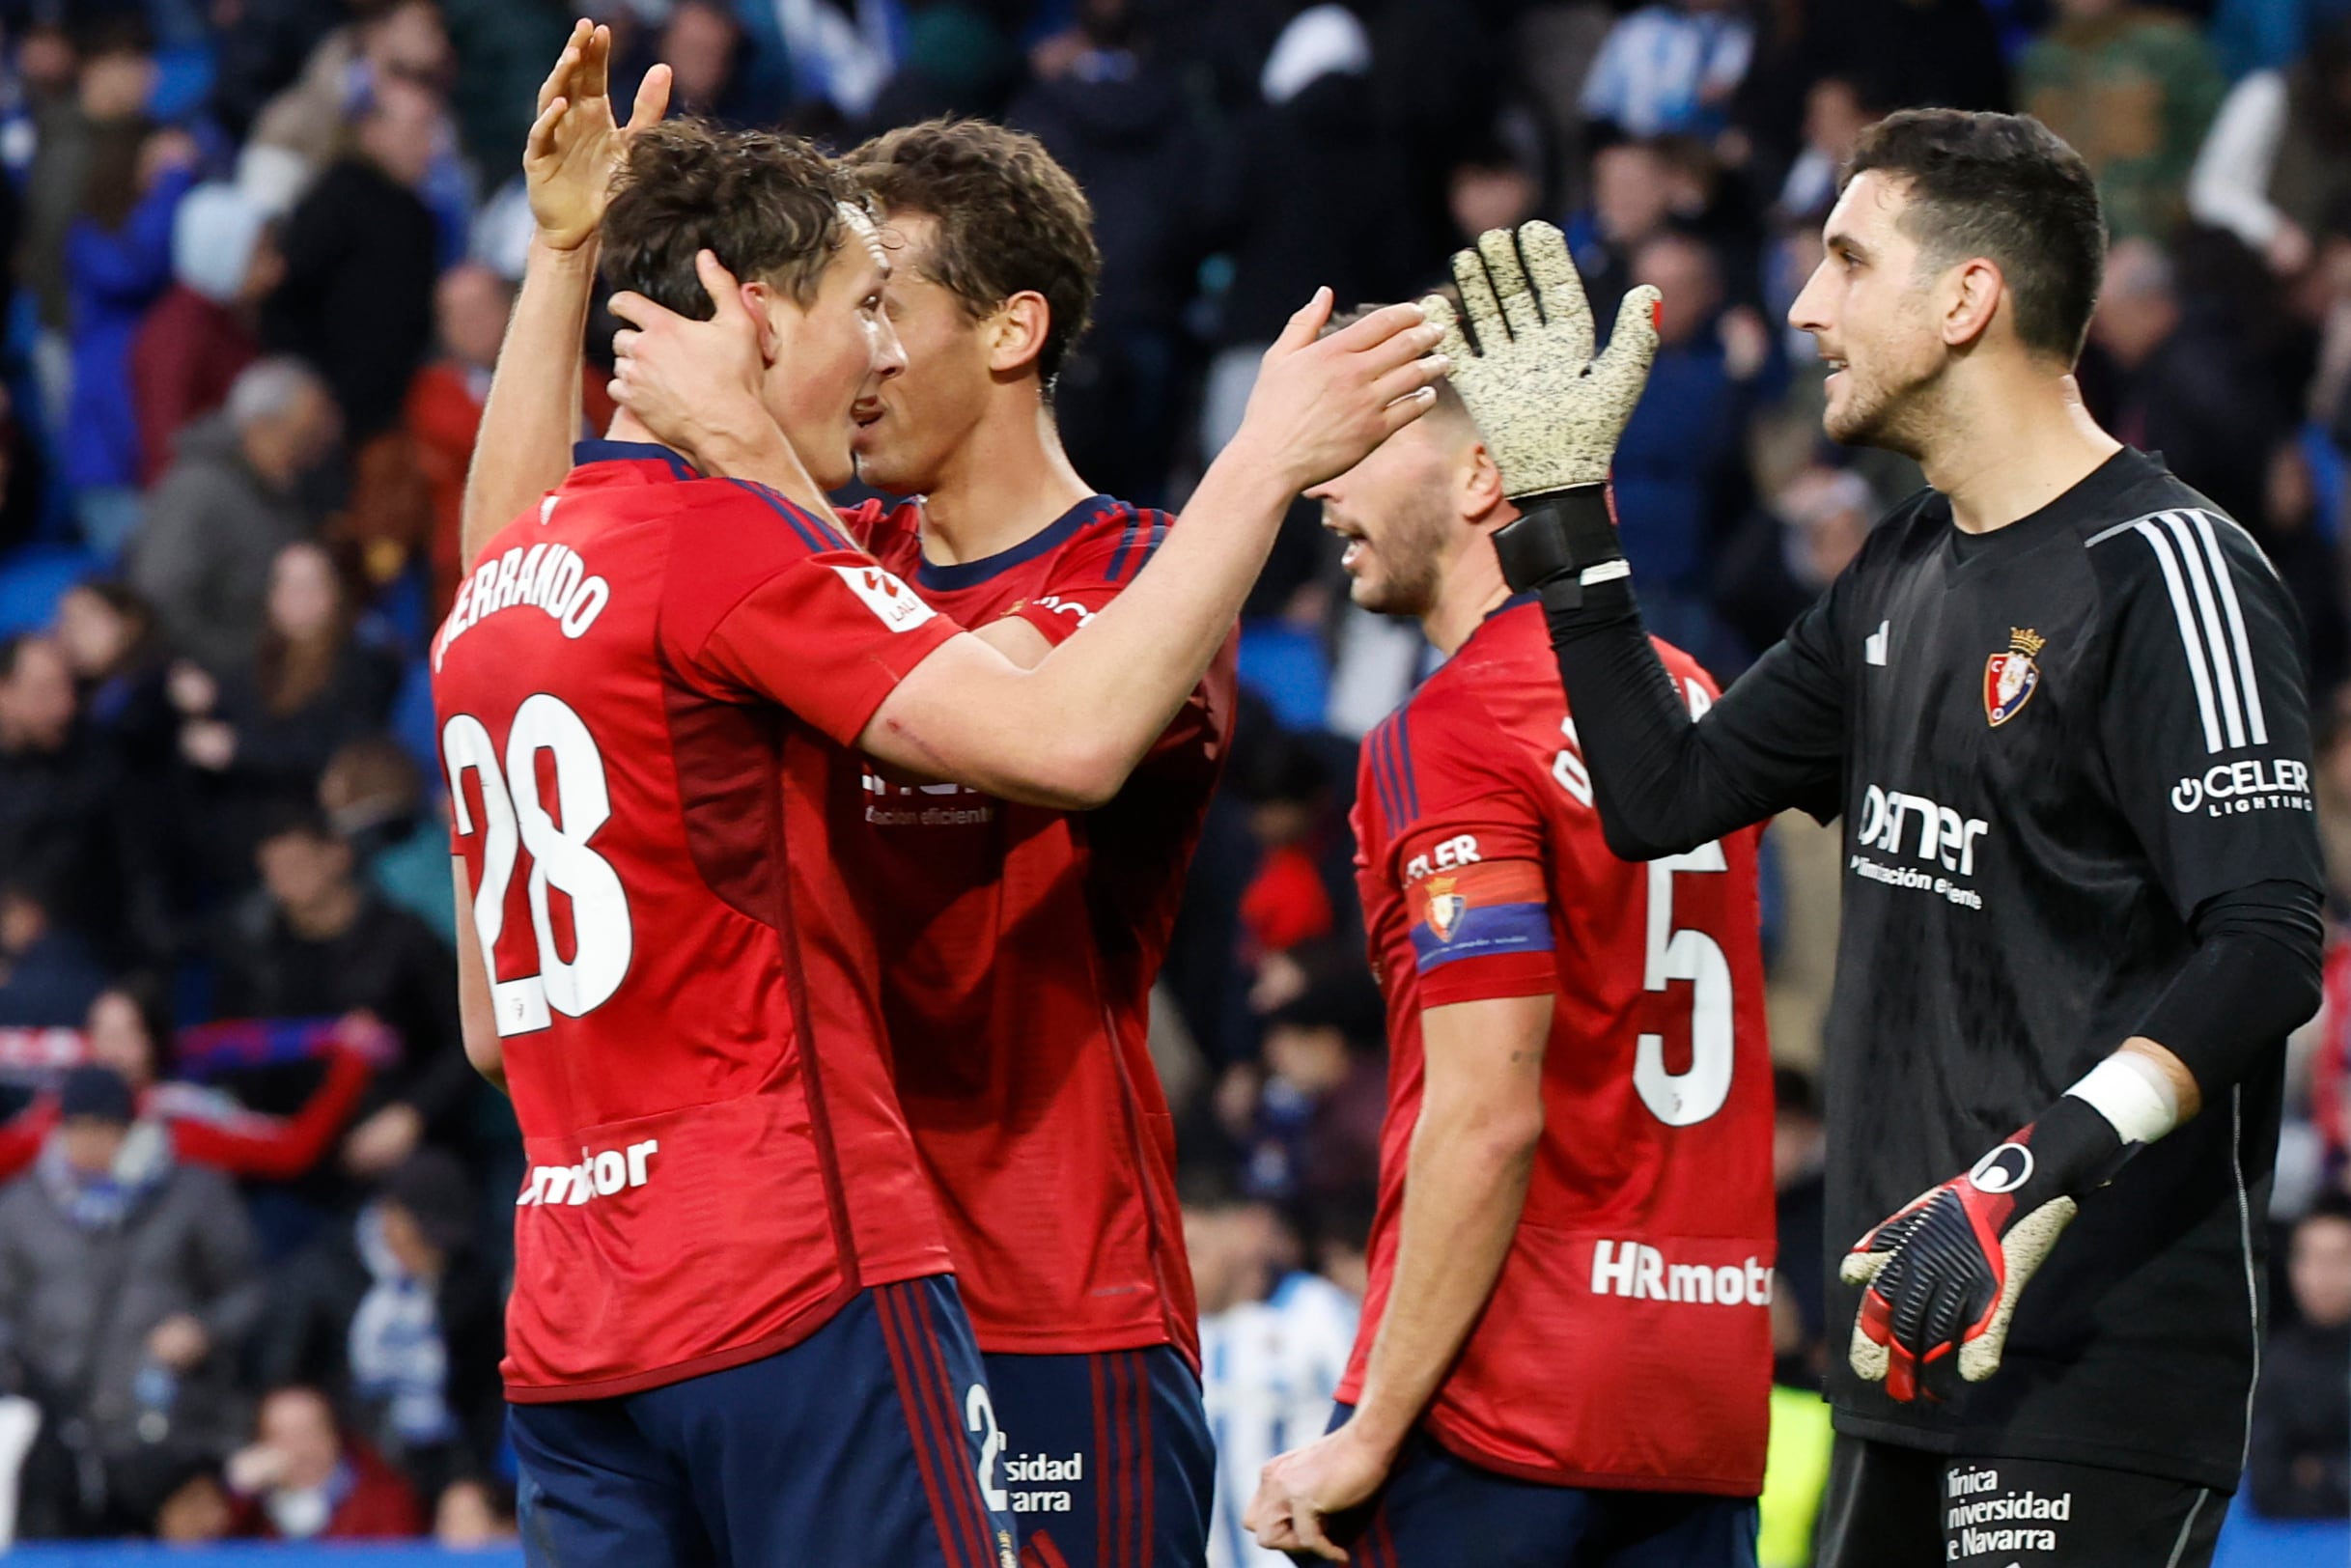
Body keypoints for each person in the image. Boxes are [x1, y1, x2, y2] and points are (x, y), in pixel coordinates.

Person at [429, 26, 1441, 1568]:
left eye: (894, 307)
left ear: (1013, 330)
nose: (879, 352)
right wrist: (569, 264)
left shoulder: (1129, 577)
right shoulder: (813, 563)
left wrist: (1257, 466)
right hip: (814, 1272)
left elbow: (1061, 722)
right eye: (859, 312)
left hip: (1043, 1296)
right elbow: (539, 582)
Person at [1451, 111, 2325, 1567]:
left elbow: (2267, 943)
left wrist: (2018, 1179)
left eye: (1847, 260)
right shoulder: (1900, 566)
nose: (1804, 305)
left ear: (1964, 299)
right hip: (1897, 1343)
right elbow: (1661, 800)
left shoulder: (2171, 574)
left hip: (2085, 1361)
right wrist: (1565, 523)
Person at [1243, 318, 1775, 1566]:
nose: (1323, 491)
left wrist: (1369, 1429)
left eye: (1363, 445)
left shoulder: (1455, 727)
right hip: (1696, 1391)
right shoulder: (1686, 691)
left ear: (1481, 473)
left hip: (1506, 1406)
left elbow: (1484, 1114)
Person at [0, 1065, 263, 1537]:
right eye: (78, 1128)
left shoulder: (194, 1193)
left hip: (167, 1430)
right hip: (58, 1434)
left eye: (105, 1129)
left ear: (132, 1128)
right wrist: (20, 1376)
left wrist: (204, 1329)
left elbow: (251, 1291)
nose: (91, 1143)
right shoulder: (21, 1207)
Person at [128, 357, 340, 679]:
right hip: (219, 681)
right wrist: (239, 665)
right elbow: (160, 602)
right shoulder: (197, 492)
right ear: (262, 427)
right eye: (304, 434)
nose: (316, 447)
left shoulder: (282, 489)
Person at [1188, 1176, 1358, 1568]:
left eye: (1194, 1248)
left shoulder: (1321, 1317)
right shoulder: (1181, 1336)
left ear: (1243, 1235)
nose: (1180, 1264)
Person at [2247, 1195, 2351, 1517]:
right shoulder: (2272, 1364)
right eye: (2309, 1258)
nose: (2323, 1276)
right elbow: (2268, 1487)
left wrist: (2319, 1473)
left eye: (2338, 1259)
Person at [224, 1385, 423, 1541]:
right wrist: (239, 1498)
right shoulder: (249, 1508)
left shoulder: (385, 1500)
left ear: (335, 1435)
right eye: (283, 1437)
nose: (300, 1450)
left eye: (309, 1433)